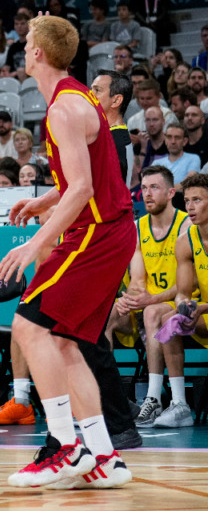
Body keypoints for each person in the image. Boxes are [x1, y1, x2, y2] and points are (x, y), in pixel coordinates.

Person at [0, 14, 134, 489]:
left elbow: (82, 189)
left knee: (27, 326)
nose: (24, 47)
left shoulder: (62, 109)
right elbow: (82, 179)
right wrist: (44, 199)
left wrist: (35, 243)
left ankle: (65, 447)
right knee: (62, 342)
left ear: (37, 53)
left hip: (96, 234)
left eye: (28, 41)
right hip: (108, 231)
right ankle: (104, 456)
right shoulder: (79, 99)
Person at [107, 166, 191, 428]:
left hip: (176, 302)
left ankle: (153, 399)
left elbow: (186, 285)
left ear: (171, 192)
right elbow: (138, 279)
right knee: (103, 318)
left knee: (154, 312)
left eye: (154, 187)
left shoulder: (186, 224)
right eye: (143, 188)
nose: (147, 194)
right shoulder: (137, 227)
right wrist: (130, 299)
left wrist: (149, 301)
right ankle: (108, 400)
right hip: (146, 304)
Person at [153, 174, 208, 426]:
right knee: (170, 319)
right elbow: (183, 291)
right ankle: (179, 405)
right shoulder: (186, 242)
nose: (190, 207)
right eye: (187, 200)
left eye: (197, 200)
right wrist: (186, 307)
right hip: (204, 316)